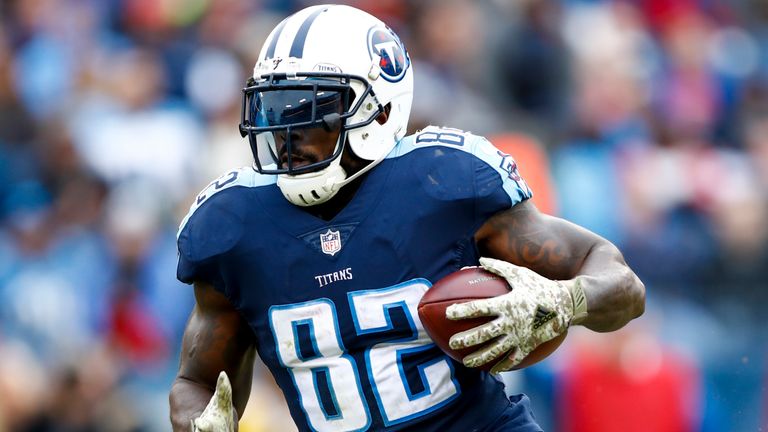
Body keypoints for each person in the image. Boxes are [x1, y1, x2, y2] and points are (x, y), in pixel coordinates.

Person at [169, 5, 645, 431]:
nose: (286, 130)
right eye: (275, 108)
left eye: (312, 109)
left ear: (379, 111)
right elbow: (196, 381)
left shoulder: (441, 182)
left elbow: (620, 281)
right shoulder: (231, 227)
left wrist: (565, 300)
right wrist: (199, 424)